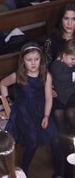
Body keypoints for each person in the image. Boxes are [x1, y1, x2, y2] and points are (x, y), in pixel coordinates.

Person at [0, 42, 62, 177]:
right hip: (24, 113)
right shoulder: (18, 75)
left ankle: (59, 173)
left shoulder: (46, 75)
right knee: (32, 142)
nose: (33, 63)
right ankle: (23, 172)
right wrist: (7, 104)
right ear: (23, 61)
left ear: (41, 59)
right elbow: (3, 84)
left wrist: (46, 116)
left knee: (55, 139)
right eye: (29, 60)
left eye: (36, 59)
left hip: (41, 110)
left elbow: (49, 98)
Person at [50, 39, 75, 178]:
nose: (74, 62)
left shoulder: (72, 64)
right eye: (72, 59)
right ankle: (67, 146)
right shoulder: (56, 65)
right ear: (64, 54)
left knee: (71, 113)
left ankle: (72, 140)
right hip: (59, 99)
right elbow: (60, 77)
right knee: (59, 113)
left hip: (72, 98)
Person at [44, 1, 75, 66]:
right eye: (66, 18)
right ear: (61, 19)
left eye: (73, 19)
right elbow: (46, 67)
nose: (70, 23)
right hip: (59, 75)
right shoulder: (51, 40)